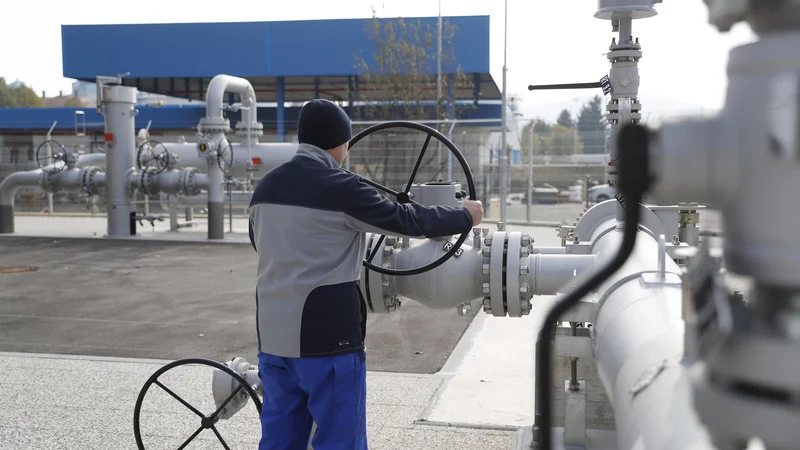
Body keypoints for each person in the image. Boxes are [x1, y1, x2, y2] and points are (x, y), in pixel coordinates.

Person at [248, 99, 483, 450]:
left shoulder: (264, 189)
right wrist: (464, 215)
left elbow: (260, 243)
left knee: (280, 440)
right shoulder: (341, 188)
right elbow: (406, 219)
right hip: (327, 343)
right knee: (340, 441)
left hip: (273, 341)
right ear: (342, 144)